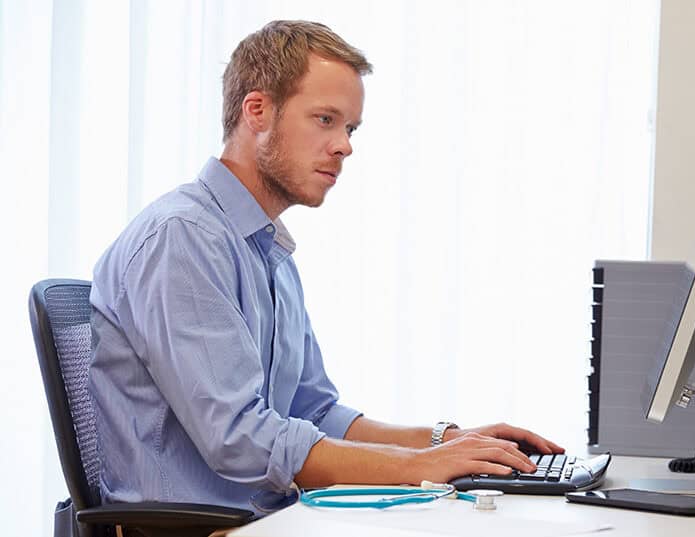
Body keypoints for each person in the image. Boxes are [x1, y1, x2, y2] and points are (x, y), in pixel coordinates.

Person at [89, 20, 562, 514]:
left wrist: (444, 442)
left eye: (350, 128)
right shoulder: (182, 238)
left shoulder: (266, 250)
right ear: (258, 111)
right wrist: (423, 468)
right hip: (200, 529)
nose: (345, 146)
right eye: (325, 119)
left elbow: (314, 411)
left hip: (267, 519)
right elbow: (240, 438)